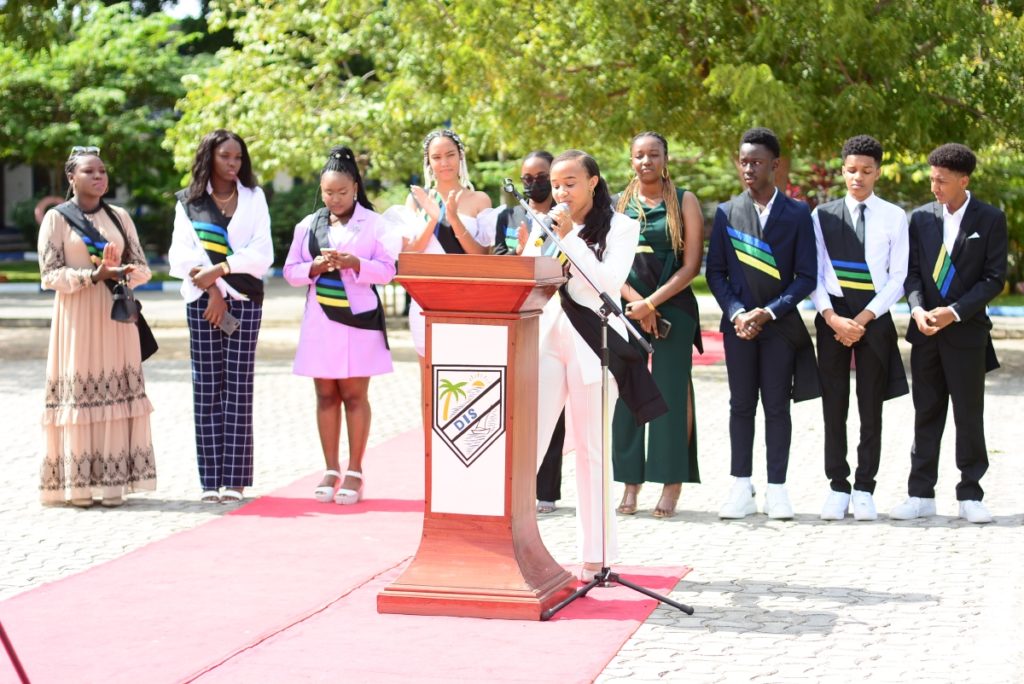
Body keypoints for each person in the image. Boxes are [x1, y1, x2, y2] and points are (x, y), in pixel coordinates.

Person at [523, 149, 665, 580]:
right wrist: (539, 238)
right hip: (547, 337)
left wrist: (567, 239)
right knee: (529, 440)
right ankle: (510, 542)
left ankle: (595, 555)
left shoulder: (622, 226)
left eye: (570, 183)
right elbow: (527, 272)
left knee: (590, 448)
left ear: (593, 183)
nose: (561, 191)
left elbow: (604, 283)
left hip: (594, 341)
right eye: (557, 184)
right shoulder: (545, 220)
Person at [706, 127, 819, 520]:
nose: (748, 168)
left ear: (776, 165)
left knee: (776, 407)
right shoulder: (726, 212)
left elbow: (806, 276)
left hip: (780, 327)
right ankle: (740, 486)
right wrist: (739, 313)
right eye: (743, 162)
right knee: (741, 406)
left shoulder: (798, 214)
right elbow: (715, 273)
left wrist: (768, 312)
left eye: (756, 162)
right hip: (739, 328)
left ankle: (778, 488)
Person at [891, 143, 1007, 524]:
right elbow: (910, 273)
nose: (934, 187)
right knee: (926, 412)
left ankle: (971, 493)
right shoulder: (921, 218)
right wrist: (919, 308)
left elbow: (994, 279)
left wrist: (954, 312)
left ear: (964, 180)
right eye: (932, 179)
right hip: (925, 332)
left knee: (968, 415)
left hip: (967, 334)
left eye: (942, 180)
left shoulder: (989, 219)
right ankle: (920, 493)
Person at [38, 146, 156, 507]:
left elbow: (143, 268)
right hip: (77, 319)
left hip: (116, 318)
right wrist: (93, 275)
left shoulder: (119, 217)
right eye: (90, 172)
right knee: (81, 393)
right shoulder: (57, 219)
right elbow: (49, 275)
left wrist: (120, 272)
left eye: (102, 171)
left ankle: (113, 485)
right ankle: (78, 486)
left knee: (115, 392)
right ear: (71, 178)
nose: (99, 177)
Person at [283, 146, 399, 505]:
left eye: (342, 192)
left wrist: (355, 262)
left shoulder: (375, 223)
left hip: (357, 320)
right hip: (321, 320)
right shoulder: (308, 225)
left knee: (354, 395)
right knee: (325, 395)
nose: (334, 199)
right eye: (328, 192)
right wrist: (314, 268)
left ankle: (355, 470)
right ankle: (330, 467)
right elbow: (290, 272)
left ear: (355, 188)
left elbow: (389, 270)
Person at [169, 129, 274, 504]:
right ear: (209, 158)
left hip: (245, 300)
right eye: (225, 157)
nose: (233, 164)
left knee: (238, 389)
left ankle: (236, 480)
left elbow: (262, 252)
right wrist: (212, 289)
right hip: (203, 303)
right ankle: (209, 481)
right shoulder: (189, 203)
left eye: (238, 158)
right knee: (207, 388)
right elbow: (180, 257)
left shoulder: (254, 198)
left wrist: (220, 271)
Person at [812, 135, 909, 521]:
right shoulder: (823, 215)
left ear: (878, 172)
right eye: (852, 170)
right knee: (834, 405)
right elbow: (814, 273)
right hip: (833, 317)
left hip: (875, 318)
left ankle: (866, 486)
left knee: (871, 406)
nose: (858, 177)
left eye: (866, 171)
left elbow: (899, 276)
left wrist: (865, 318)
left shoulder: (893, 216)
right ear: (842, 170)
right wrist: (833, 318)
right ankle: (837, 484)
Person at [611, 131, 705, 519]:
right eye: (639, 155)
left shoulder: (685, 201)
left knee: (669, 391)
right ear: (631, 161)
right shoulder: (619, 204)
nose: (646, 161)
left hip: (674, 309)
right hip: (628, 310)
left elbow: (691, 265)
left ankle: (671, 482)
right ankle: (630, 483)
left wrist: (654, 302)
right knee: (629, 393)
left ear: (666, 158)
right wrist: (638, 302)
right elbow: (608, 264)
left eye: (653, 155)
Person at [494, 149, 565, 513]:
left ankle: (547, 491)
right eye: (526, 178)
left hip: (556, 316)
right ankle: (514, 483)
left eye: (540, 177)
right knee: (517, 405)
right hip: (517, 318)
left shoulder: (564, 218)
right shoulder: (509, 215)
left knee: (551, 403)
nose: (533, 183)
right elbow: (499, 257)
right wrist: (521, 253)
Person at [401, 129, 493, 361]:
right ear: (428, 162)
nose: (444, 162)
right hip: (427, 297)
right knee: (430, 378)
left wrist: (452, 218)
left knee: (466, 375)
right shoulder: (416, 199)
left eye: (450, 155)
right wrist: (433, 217)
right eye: (436, 157)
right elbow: (411, 252)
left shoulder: (479, 199)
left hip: (468, 296)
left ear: (460, 156)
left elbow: (482, 256)